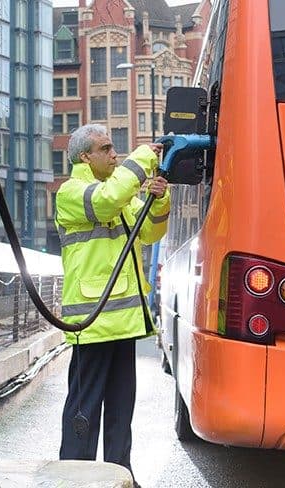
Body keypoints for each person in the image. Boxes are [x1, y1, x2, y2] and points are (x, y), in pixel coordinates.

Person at [54, 124, 170, 480]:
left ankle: (121, 476)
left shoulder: (120, 195)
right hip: (91, 323)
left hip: (122, 322)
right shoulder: (72, 192)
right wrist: (144, 158)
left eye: (114, 148)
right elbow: (104, 203)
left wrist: (158, 197)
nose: (114, 154)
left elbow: (151, 232)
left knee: (121, 409)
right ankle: (77, 477)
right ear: (85, 156)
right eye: (106, 149)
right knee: (84, 410)